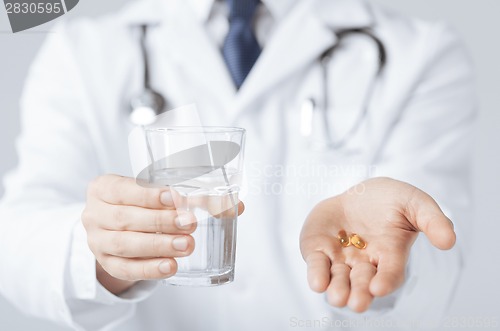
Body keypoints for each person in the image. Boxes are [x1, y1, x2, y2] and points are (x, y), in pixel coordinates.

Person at [0, 0, 476, 330]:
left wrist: (393, 258)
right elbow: (16, 241)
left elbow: (437, 254)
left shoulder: (420, 53)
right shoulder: (83, 51)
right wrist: (102, 253)